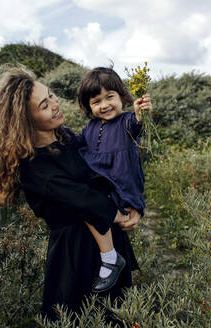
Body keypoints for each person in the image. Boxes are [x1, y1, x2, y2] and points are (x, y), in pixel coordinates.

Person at [0, 66, 141, 321]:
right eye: (44, 105)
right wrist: (118, 215)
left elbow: (107, 169)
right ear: (26, 120)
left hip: (108, 238)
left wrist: (133, 205)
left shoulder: (65, 137)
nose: (55, 104)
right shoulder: (32, 165)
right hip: (76, 255)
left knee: (117, 315)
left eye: (51, 95)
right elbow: (81, 197)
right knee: (79, 316)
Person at [76, 67, 152, 293]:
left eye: (110, 97)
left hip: (120, 192)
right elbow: (75, 146)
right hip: (102, 193)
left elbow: (137, 126)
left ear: (121, 97)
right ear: (89, 106)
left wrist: (141, 113)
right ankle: (107, 262)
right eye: (96, 101)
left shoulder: (126, 122)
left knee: (94, 209)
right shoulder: (90, 129)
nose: (104, 105)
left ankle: (111, 261)